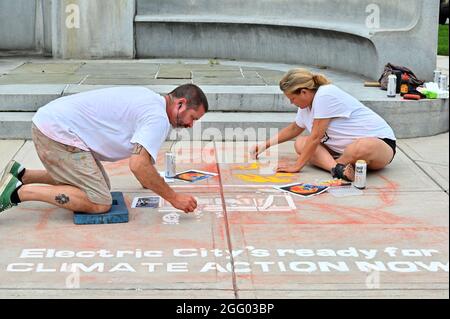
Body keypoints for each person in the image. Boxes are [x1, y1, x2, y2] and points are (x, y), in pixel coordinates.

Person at [0, 84, 208, 215]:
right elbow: (138, 164)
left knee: (100, 184)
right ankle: (17, 192)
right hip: (58, 133)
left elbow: (142, 161)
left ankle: (21, 175)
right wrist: (174, 198)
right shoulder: (158, 119)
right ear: (181, 104)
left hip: (54, 124)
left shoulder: (150, 99)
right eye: (193, 118)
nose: (190, 125)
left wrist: (148, 180)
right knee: (98, 201)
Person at [251, 68, 396, 180]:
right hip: (343, 152)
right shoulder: (306, 105)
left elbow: (316, 136)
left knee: (361, 147)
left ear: (304, 92)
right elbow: (294, 128)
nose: (291, 102)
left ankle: (336, 165)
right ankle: (338, 170)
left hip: (380, 146)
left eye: (292, 98)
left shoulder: (325, 94)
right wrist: (266, 144)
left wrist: (297, 165)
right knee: (300, 143)